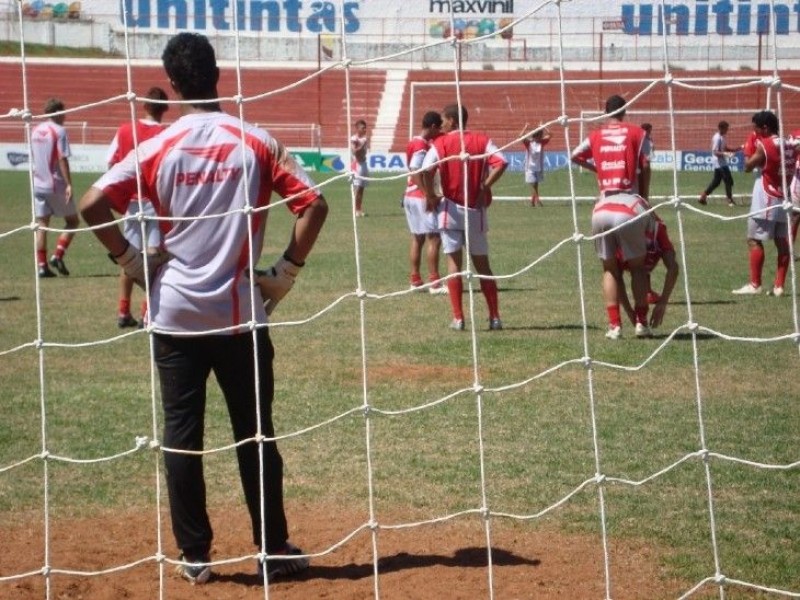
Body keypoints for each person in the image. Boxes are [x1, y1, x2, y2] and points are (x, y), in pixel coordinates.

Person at [79, 32, 328, 585]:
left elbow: (92, 203)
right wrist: (283, 275)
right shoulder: (255, 141)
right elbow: (314, 206)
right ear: (218, 74)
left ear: (172, 83)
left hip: (173, 316)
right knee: (255, 434)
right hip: (239, 314)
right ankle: (272, 547)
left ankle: (195, 557)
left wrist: (132, 262)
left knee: (181, 436)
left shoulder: (156, 147)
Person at [571, 94, 655, 340]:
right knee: (638, 268)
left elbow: (574, 155)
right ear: (625, 111)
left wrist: (598, 168)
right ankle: (641, 323)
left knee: (609, 269)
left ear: (605, 112)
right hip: (629, 204)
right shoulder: (638, 133)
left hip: (602, 206)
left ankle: (614, 326)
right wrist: (645, 197)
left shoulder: (595, 135)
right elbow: (646, 164)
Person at [421, 103, 507, 331]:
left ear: (453, 121)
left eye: (444, 120)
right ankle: (494, 317)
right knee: (483, 266)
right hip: (475, 211)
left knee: (454, 264)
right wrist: (484, 187)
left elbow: (424, 169)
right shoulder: (482, 140)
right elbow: (502, 161)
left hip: (450, 209)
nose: (442, 124)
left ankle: (458, 318)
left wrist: (431, 195)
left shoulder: (441, 143)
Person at [106, 86, 169, 328]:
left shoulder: (124, 130)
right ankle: (147, 313)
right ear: (164, 108)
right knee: (155, 257)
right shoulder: (167, 134)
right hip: (155, 203)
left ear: (143, 105)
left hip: (131, 204)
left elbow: (111, 163)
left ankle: (123, 310)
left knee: (128, 257)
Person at [731, 110, 796, 296]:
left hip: (766, 198)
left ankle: (755, 284)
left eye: (756, 128)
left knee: (753, 240)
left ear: (765, 128)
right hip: (785, 198)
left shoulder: (765, 144)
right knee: (782, 243)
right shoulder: (788, 143)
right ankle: (779, 286)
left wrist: (750, 149)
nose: (755, 131)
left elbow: (747, 166)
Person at [31, 98, 78, 278]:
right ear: (58, 112)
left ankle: (42, 266)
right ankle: (57, 256)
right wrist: (68, 184)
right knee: (73, 221)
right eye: (63, 111)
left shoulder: (35, 130)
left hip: (38, 183)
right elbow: (62, 158)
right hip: (55, 184)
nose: (65, 115)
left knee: (42, 224)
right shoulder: (59, 131)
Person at [403, 110, 446, 294]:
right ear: (434, 127)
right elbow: (415, 169)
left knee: (417, 238)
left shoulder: (414, 141)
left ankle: (415, 280)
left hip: (409, 195)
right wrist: (428, 194)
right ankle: (435, 283)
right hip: (420, 197)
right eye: (440, 128)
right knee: (434, 238)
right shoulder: (421, 146)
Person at [616, 214, 679, 328]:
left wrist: (662, 303)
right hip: (625, 222)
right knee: (630, 271)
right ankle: (638, 319)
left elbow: (673, 268)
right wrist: (662, 303)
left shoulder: (658, 229)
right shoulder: (657, 230)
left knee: (616, 272)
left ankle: (617, 324)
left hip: (622, 220)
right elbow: (673, 267)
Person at [699, 120, 740, 207]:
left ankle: (703, 196)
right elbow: (715, 152)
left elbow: (725, 148)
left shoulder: (723, 136)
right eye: (726, 128)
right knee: (728, 180)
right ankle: (730, 200)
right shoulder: (717, 138)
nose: (727, 130)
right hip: (718, 163)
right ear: (721, 128)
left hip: (722, 162)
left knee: (716, 181)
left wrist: (736, 149)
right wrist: (726, 154)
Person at [522, 124, 551, 207]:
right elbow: (520, 136)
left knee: (536, 184)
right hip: (530, 166)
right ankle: (537, 200)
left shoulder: (541, 142)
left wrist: (544, 126)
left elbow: (551, 135)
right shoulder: (529, 143)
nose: (541, 137)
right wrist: (525, 127)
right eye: (540, 135)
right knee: (534, 184)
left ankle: (532, 201)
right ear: (536, 136)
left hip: (538, 166)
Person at [351, 119, 369, 217]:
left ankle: (359, 209)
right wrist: (362, 146)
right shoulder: (354, 139)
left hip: (363, 164)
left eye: (365, 127)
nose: (365, 129)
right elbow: (355, 152)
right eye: (363, 127)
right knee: (357, 188)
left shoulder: (364, 139)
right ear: (357, 129)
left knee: (361, 188)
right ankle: (355, 210)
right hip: (357, 165)